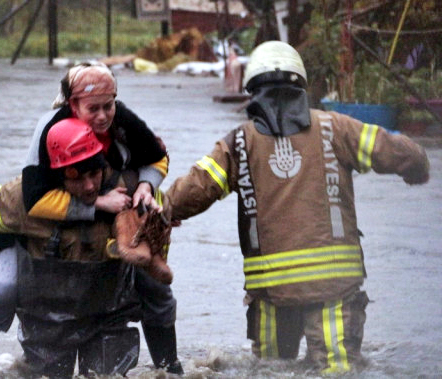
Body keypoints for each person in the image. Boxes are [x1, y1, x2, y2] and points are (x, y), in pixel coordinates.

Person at [163, 41, 430, 373]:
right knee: (338, 370)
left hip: (271, 291)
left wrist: (159, 210)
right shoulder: (337, 127)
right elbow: (396, 151)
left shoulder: (237, 143)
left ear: (252, 90)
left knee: (272, 370)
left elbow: (193, 191)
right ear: (301, 85)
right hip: (334, 287)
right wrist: (419, 166)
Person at [21, 62, 183, 374]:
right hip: (74, 231)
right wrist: (97, 203)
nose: (102, 116)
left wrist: (147, 187)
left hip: (132, 221)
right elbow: (35, 200)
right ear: (73, 105)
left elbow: (158, 156)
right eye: (92, 108)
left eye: (107, 106)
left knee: (156, 290)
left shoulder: (121, 118)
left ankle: (169, 367)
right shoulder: (49, 130)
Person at [0, 118, 144, 378]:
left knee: (155, 293)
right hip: (47, 315)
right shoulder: (25, 199)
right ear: (57, 176)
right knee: (2, 295)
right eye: (77, 178)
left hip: (107, 312)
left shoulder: (129, 191)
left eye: (94, 174)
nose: (89, 186)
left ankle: (171, 365)